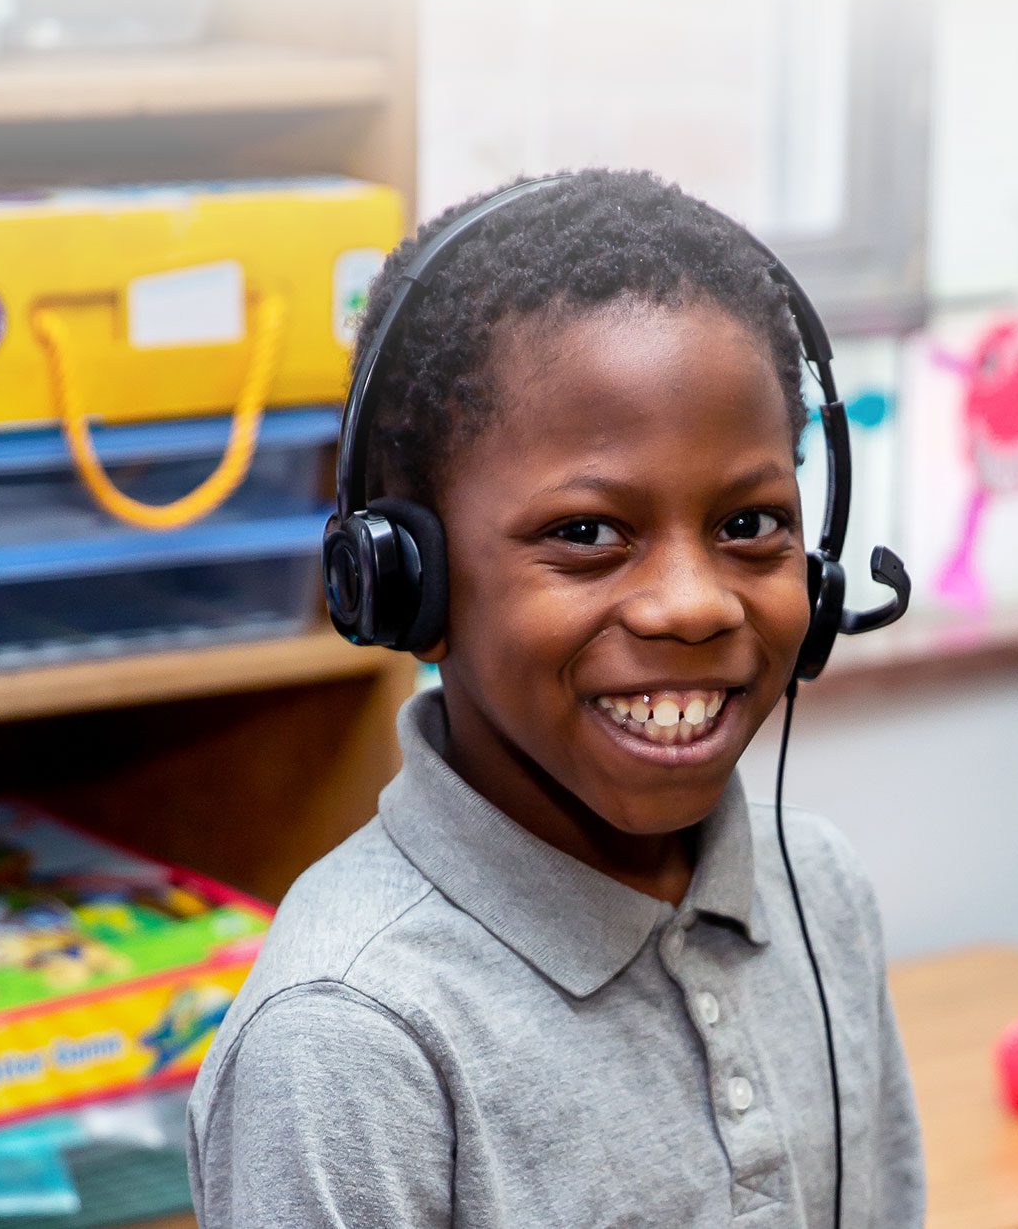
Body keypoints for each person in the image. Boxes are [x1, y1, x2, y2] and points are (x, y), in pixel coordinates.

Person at [185, 169, 925, 1227]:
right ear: (406, 581)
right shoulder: (348, 1034)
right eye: (586, 534)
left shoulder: (820, 894)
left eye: (749, 524)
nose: (691, 604)